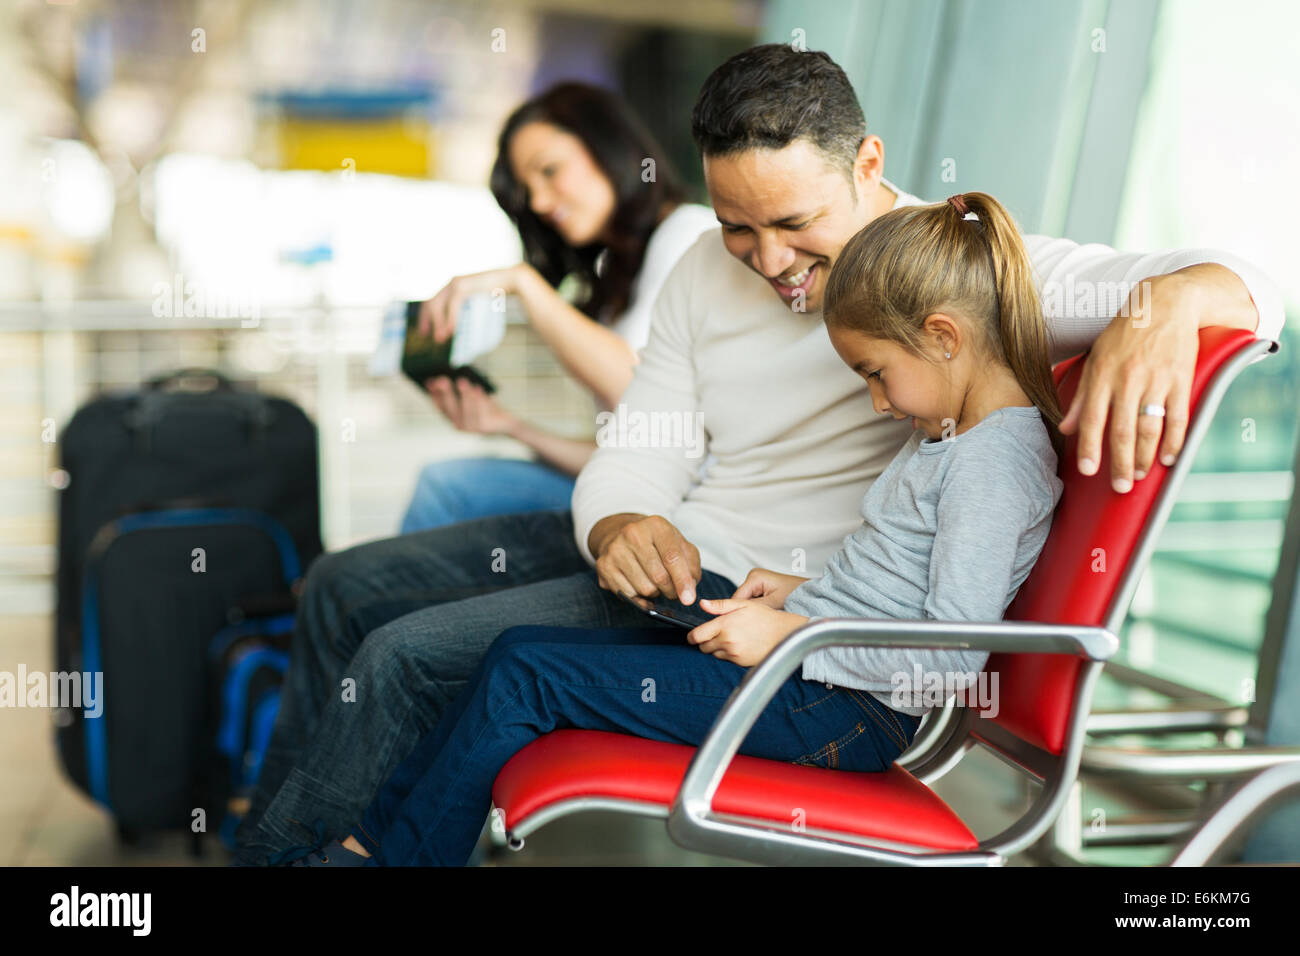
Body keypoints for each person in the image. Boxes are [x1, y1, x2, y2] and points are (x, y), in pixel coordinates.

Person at [232, 44, 1284, 866]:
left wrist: (1172, 303)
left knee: (409, 654)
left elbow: (1240, 276)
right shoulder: (702, 263)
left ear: (866, 165)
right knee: (340, 585)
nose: (769, 261)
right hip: (675, 549)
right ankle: (281, 834)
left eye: (793, 223)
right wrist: (616, 520)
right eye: (740, 226)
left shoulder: (955, 276)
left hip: (766, 601)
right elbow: (642, 437)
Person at [281, 190, 1066, 865]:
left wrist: (789, 636)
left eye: (875, 374)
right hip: (811, 658)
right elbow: (899, 580)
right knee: (516, 651)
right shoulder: (953, 435)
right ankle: (368, 849)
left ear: (945, 335)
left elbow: (948, 655)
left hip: (847, 708)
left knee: (527, 676)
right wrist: (795, 594)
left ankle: (378, 858)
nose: (878, 403)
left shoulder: (993, 463)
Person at [401, 81, 716, 532]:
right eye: (529, 191)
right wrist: (510, 426)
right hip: (639, 493)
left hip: (679, 514)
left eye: (549, 170)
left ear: (608, 146)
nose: (542, 203)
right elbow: (625, 453)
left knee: (448, 487)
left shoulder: (688, 233)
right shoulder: (619, 275)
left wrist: (523, 282)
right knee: (448, 484)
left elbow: (641, 404)